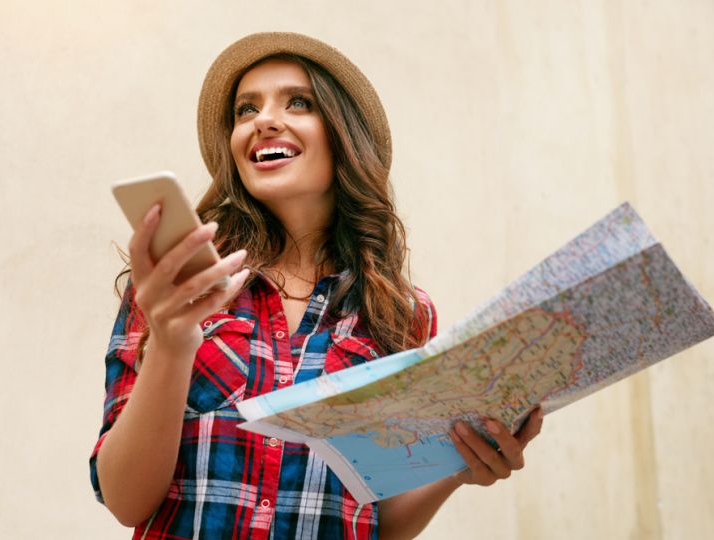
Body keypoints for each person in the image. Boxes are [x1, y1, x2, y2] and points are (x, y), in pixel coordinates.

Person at [90, 32, 544, 539]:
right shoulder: (176, 288)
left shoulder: (400, 314)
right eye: (245, 110)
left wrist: (459, 466)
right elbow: (126, 499)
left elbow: (376, 520)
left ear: (342, 135)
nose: (263, 120)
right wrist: (172, 345)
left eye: (298, 102)